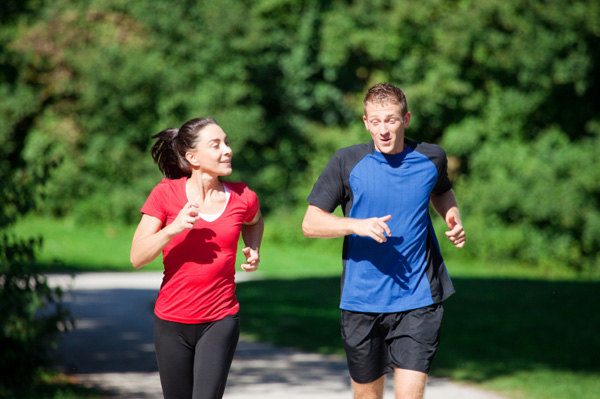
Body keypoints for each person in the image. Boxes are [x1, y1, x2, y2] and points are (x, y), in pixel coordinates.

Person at [302, 83, 465, 399]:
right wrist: (356, 225)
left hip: (419, 299)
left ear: (406, 119)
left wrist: (452, 215)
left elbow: (441, 189)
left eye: (391, 120)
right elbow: (311, 223)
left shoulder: (431, 158)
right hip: (362, 300)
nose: (383, 130)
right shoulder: (347, 162)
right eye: (375, 121)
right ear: (365, 122)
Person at [130, 117, 264, 399]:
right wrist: (173, 228)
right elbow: (137, 257)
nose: (227, 150)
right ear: (192, 157)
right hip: (171, 322)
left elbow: (254, 221)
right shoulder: (165, 194)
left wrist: (253, 248)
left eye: (226, 142)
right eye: (216, 144)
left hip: (220, 319)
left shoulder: (243, 196)